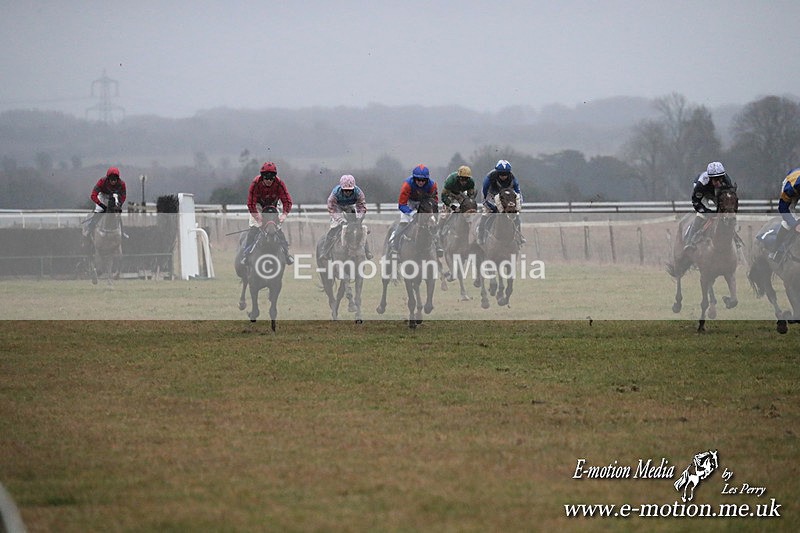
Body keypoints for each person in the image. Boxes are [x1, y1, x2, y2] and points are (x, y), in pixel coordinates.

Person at [241, 161, 294, 265]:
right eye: (266, 178)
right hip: (258, 206)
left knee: (277, 229)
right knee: (255, 228)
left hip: (272, 206)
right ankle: (246, 255)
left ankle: (286, 254)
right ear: (262, 177)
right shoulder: (255, 183)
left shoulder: (279, 183)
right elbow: (251, 203)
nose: (269, 180)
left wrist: (284, 214)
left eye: (271, 178)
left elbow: (287, 200)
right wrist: (257, 217)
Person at [388, 164, 440, 257]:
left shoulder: (432, 185)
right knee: (404, 222)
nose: (420, 182)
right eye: (418, 179)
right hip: (409, 202)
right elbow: (401, 205)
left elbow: (434, 201)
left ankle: (438, 245)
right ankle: (394, 247)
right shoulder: (407, 185)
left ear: (427, 180)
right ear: (414, 178)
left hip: (424, 203)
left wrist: (433, 214)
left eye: (423, 180)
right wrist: (412, 214)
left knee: (432, 223)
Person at [683, 161, 735, 251]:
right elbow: (696, 203)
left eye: (720, 179)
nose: (718, 182)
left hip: (716, 192)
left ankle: (734, 237)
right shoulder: (701, 184)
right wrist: (707, 212)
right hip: (703, 192)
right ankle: (689, 241)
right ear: (710, 178)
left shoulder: (726, 180)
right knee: (701, 215)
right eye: (715, 180)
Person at [319, 174, 372, 260]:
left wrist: (359, 218)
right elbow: (331, 208)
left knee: (358, 228)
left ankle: (367, 251)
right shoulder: (335, 193)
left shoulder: (358, 192)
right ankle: (325, 251)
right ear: (341, 188)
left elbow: (361, 206)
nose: (348, 192)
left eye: (350, 190)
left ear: (354, 188)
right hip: (336, 207)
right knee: (334, 227)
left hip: (349, 207)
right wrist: (341, 220)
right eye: (345, 190)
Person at [476, 159, 525, 245]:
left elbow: (518, 193)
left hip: (505, 198)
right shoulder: (489, 178)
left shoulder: (513, 179)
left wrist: (517, 206)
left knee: (515, 215)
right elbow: (484, 194)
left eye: (505, 174)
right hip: (491, 196)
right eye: (501, 174)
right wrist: (491, 206)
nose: (503, 176)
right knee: (486, 214)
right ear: (497, 172)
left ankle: (518, 235)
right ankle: (481, 236)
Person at [83, 166, 127, 247]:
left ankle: (122, 232)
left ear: (118, 179)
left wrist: (119, 204)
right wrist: (101, 205)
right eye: (111, 179)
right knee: (98, 213)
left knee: (117, 214)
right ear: (108, 178)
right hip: (102, 197)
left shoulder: (122, 184)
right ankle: (89, 231)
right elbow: (93, 195)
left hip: (114, 198)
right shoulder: (102, 181)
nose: (113, 181)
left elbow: (123, 196)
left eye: (115, 179)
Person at [769, 167, 800, 262]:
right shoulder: (790, 187)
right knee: (790, 220)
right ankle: (775, 251)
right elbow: (782, 208)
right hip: (791, 184)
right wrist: (795, 224)